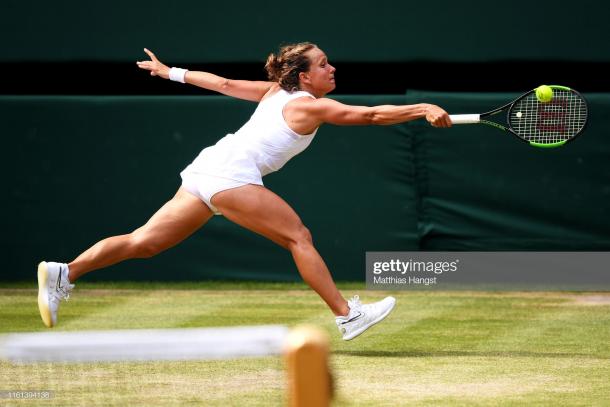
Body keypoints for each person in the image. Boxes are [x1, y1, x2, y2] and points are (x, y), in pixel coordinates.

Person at [37, 42, 451, 340]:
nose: (332, 69)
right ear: (304, 76)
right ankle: (347, 316)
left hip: (209, 168)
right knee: (297, 236)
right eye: (324, 65)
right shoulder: (308, 104)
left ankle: (65, 272)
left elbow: (220, 83)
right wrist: (423, 108)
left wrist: (170, 73)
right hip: (230, 173)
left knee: (144, 242)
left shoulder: (275, 92)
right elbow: (373, 114)